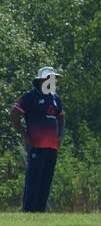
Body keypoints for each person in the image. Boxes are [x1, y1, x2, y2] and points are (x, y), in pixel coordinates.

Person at [9, 66, 64, 212]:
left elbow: (61, 116)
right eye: (51, 78)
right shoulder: (30, 97)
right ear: (42, 80)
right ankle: (28, 209)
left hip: (52, 146)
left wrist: (60, 136)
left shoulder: (55, 97)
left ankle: (40, 210)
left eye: (54, 79)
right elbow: (14, 114)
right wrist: (25, 136)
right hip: (36, 144)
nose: (54, 81)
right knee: (34, 177)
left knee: (46, 178)